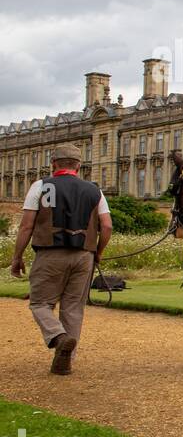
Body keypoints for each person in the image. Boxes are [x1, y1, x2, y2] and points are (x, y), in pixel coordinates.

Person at [9, 143, 113, 375]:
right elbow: (106, 226)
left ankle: (57, 335)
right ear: (79, 165)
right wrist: (98, 253)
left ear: (53, 164)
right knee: (73, 309)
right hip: (83, 256)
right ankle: (65, 360)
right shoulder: (94, 190)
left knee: (40, 303)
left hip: (50, 252)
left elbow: (27, 225)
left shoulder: (41, 186)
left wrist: (17, 257)